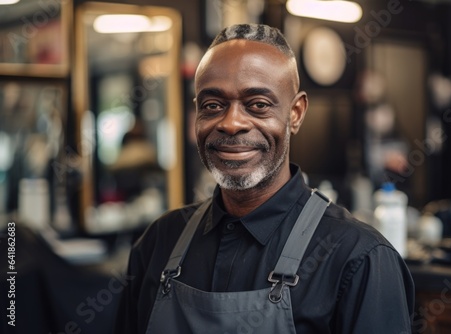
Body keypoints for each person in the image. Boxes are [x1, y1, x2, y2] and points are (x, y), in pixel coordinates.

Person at [114, 23, 414, 334]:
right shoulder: (158, 242)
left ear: (295, 113)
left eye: (257, 105)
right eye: (212, 105)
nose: (231, 123)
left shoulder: (359, 259)